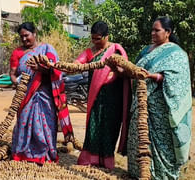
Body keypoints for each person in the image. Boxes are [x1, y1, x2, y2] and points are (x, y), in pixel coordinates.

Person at [127, 16, 192, 180]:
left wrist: (154, 76)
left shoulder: (177, 54)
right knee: (140, 136)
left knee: (160, 143)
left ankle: (162, 175)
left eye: (157, 30)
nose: (153, 33)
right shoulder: (146, 50)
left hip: (160, 107)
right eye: (152, 30)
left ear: (168, 32)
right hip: (141, 103)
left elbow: (177, 80)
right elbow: (135, 70)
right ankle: (139, 172)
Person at [10, 22, 74, 164]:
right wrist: (18, 83)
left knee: (45, 123)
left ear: (34, 34)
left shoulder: (47, 49)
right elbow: (13, 74)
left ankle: (45, 153)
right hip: (25, 94)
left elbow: (56, 70)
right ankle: (24, 153)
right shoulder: (17, 53)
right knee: (25, 122)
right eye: (22, 37)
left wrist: (40, 69)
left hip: (44, 94)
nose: (24, 39)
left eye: (27, 36)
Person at [76, 21, 131, 169]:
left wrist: (117, 69)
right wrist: (66, 66)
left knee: (109, 128)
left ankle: (106, 161)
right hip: (95, 97)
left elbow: (125, 72)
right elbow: (78, 63)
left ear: (107, 36)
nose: (95, 42)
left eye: (98, 38)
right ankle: (90, 159)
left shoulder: (116, 51)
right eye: (93, 38)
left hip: (113, 98)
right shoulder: (90, 52)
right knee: (93, 127)